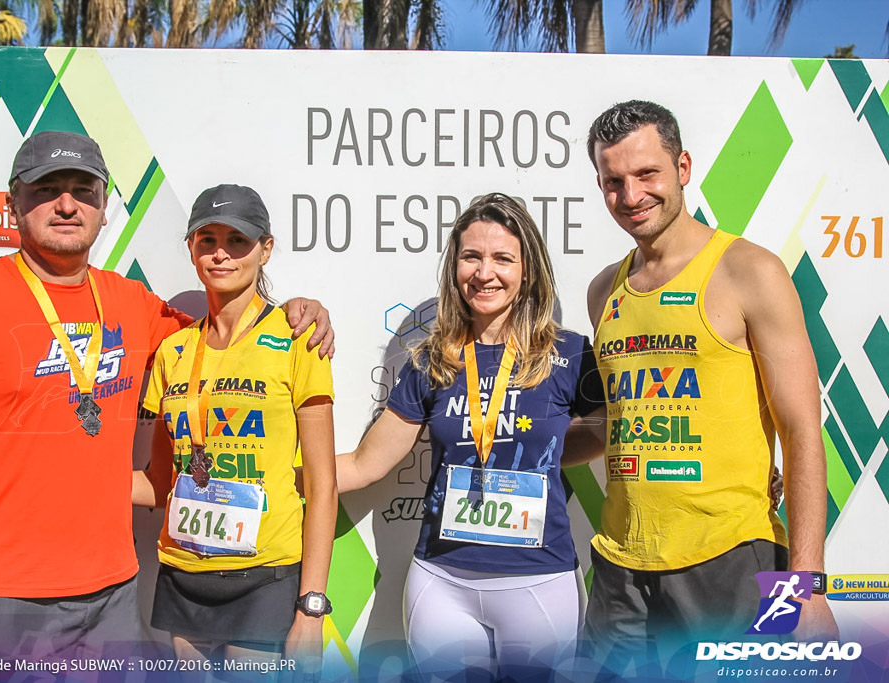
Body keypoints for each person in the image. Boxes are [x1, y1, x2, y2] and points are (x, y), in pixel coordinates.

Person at [0, 131, 334, 664]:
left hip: (111, 595)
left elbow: (228, 335)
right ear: (13, 205)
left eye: (84, 190)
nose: (66, 204)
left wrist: (296, 308)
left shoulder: (131, 304)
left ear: (104, 209)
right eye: (46, 188)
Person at [577, 100, 838, 665]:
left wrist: (808, 584)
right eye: (613, 181)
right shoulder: (603, 292)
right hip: (621, 567)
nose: (631, 195)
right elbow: (613, 421)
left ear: (684, 167)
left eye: (647, 174)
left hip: (730, 561)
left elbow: (801, 429)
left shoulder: (750, 270)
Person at [334, 193, 606, 681]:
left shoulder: (569, 354)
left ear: (529, 270)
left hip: (540, 582)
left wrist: (546, 455)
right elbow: (364, 464)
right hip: (441, 583)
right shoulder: (430, 360)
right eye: (471, 256)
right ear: (453, 266)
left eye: (503, 258)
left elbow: (607, 434)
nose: (485, 273)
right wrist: (276, 475)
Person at [132, 184, 337, 673]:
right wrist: (62, 481)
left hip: (262, 575)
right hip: (184, 572)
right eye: (208, 239)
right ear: (191, 248)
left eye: (238, 240)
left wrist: (311, 607)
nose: (221, 253)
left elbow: (324, 485)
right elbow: (161, 483)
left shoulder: (298, 339)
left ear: (265, 249)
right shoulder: (172, 351)